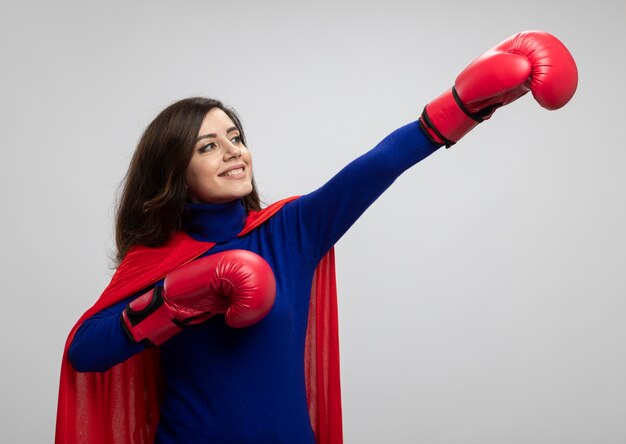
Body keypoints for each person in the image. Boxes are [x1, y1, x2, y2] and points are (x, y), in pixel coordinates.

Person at [55, 30, 578, 444]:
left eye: (236, 138)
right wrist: (176, 297)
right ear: (174, 172)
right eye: (208, 147)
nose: (234, 152)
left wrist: (462, 106)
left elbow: (375, 167)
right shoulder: (155, 261)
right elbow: (84, 353)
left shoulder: (292, 230)